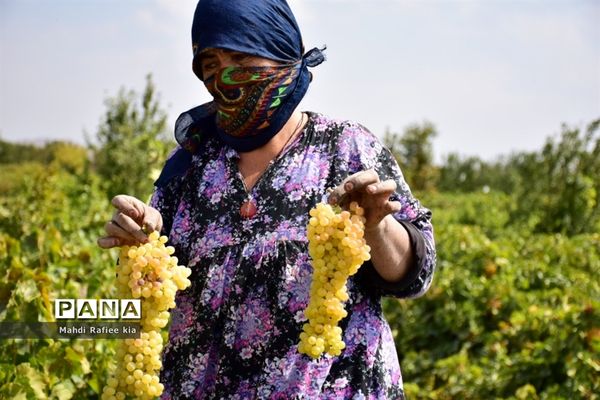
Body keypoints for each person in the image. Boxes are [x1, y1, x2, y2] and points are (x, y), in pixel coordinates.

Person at [98, 0, 436, 398]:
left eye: (240, 56)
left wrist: (377, 228)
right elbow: (158, 291)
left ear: (279, 52)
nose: (225, 76)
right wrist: (144, 246)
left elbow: (417, 274)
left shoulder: (344, 149)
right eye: (210, 64)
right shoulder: (191, 164)